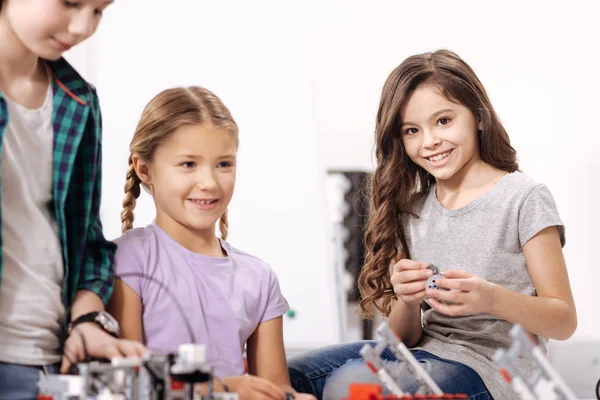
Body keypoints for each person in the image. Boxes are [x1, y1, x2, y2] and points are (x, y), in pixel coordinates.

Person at [287, 49, 577, 400]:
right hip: (422, 352)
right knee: (286, 376)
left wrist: (491, 298)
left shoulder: (522, 197)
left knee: (350, 386)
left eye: (443, 121)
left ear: (479, 118)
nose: (429, 141)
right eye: (412, 130)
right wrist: (407, 301)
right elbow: (402, 338)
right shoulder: (412, 210)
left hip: (492, 369)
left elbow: (563, 320)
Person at [108, 86, 315, 400]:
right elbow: (126, 381)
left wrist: (290, 397)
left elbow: (274, 386)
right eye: (188, 164)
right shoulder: (127, 260)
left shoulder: (258, 277)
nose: (209, 183)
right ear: (145, 169)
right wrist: (227, 388)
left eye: (223, 164)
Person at [0, 0, 146, 398]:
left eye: (99, 10)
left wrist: (87, 322)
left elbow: (88, 243)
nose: (82, 26)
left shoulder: (78, 101)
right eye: (70, 2)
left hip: (49, 361)